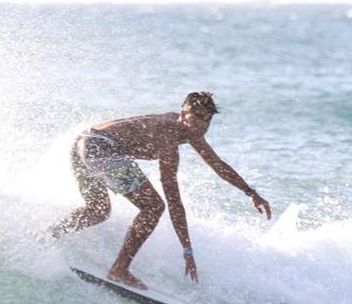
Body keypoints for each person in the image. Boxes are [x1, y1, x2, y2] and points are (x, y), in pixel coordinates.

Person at [49, 92, 271, 290]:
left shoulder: (184, 129)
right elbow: (173, 200)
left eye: (207, 120)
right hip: (102, 149)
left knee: (97, 211)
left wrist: (250, 192)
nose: (202, 125)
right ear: (184, 114)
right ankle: (120, 269)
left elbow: (217, 164)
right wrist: (187, 249)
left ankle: (47, 235)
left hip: (82, 144)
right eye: (197, 117)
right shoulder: (167, 139)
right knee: (153, 207)